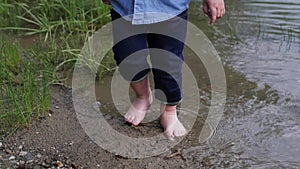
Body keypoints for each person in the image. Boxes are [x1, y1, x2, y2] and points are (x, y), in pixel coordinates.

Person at [102, 0, 225, 139]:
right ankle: (143, 96)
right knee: (127, 56)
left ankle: (169, 111)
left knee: (169, 64)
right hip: (126, 6)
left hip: (170, 8)